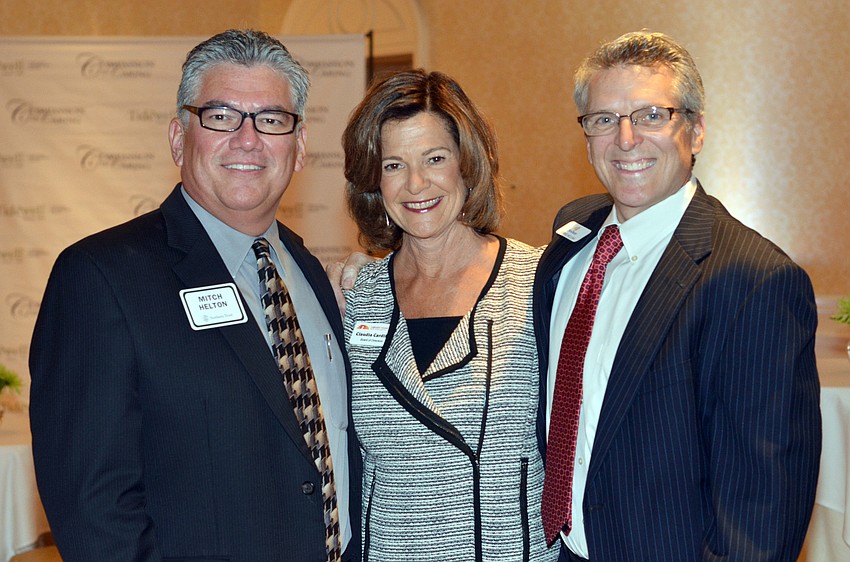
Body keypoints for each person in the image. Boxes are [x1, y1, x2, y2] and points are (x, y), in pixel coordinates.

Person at [29, 29, 361, 562]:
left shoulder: (310, 272)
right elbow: (94, 510)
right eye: (221, 116)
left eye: (271, 119)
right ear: (179, 138)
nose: (248, 139)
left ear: (299, 147)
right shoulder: (100, 277)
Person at [534, 31, 821, 561]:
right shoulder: (571, 242)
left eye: (651, 115)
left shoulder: (754, 281)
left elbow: (761, 514)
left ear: (696, 131)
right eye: (604, 119)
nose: (625, 139)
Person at [340, 69, 557, 562]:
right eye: (394, 165)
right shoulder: (355, 297)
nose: (416, 184)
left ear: (467, 163)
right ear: (374, 181)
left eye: (434, 158)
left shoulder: (538, 283)